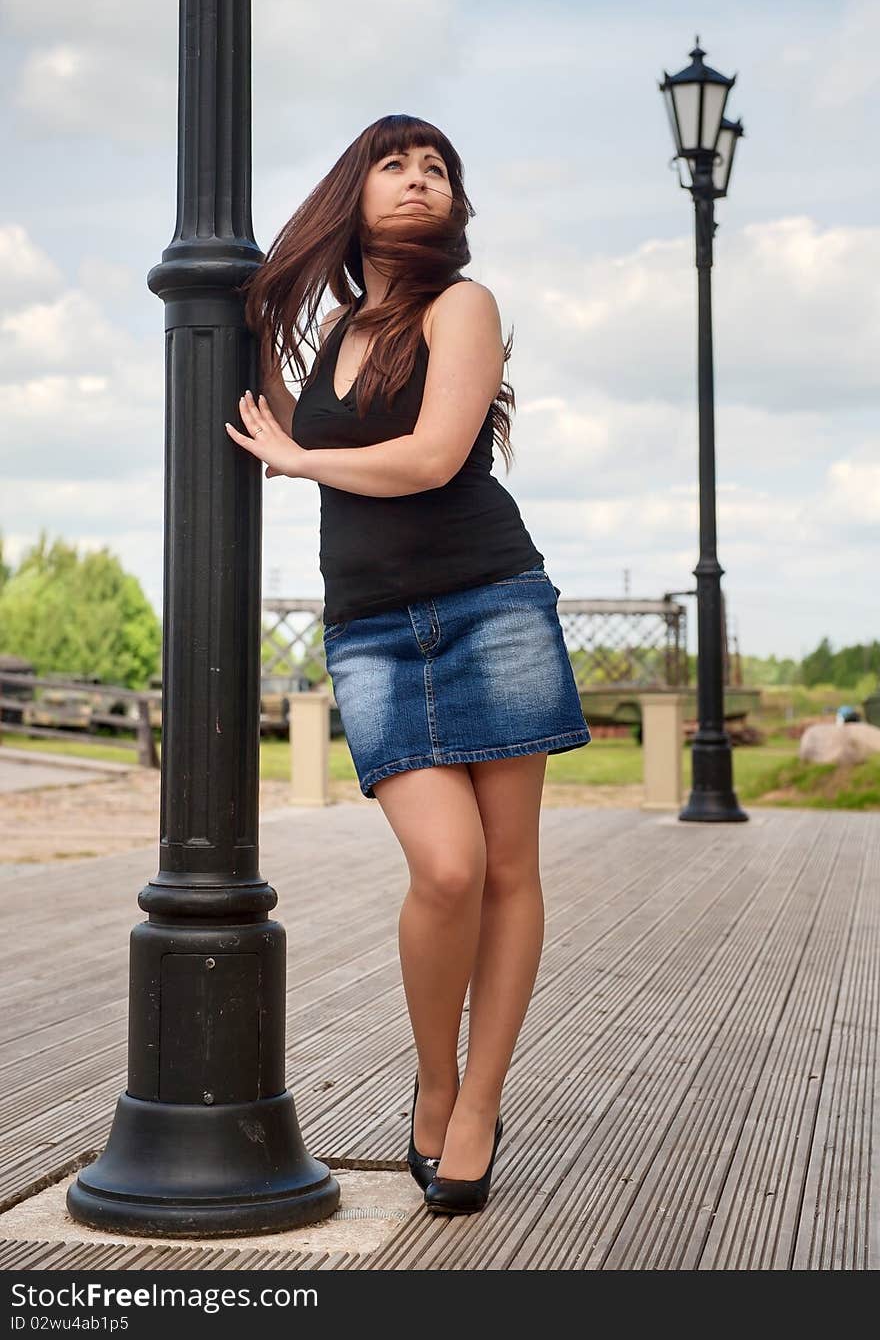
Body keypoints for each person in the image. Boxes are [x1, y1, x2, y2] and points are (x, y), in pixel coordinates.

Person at [226, 114, 592, 1215]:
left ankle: (475, 1105)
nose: (420, 179)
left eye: (436, 168)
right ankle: (433, 1083)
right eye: (396, 164)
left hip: (491, 603)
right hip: (373, 626)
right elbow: (307, 440)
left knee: (505, 869)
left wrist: (298, 459)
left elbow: (434, 456)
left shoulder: (461, 308)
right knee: (445, 868)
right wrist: (240, 336)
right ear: (356, 191)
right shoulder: (337, 330)